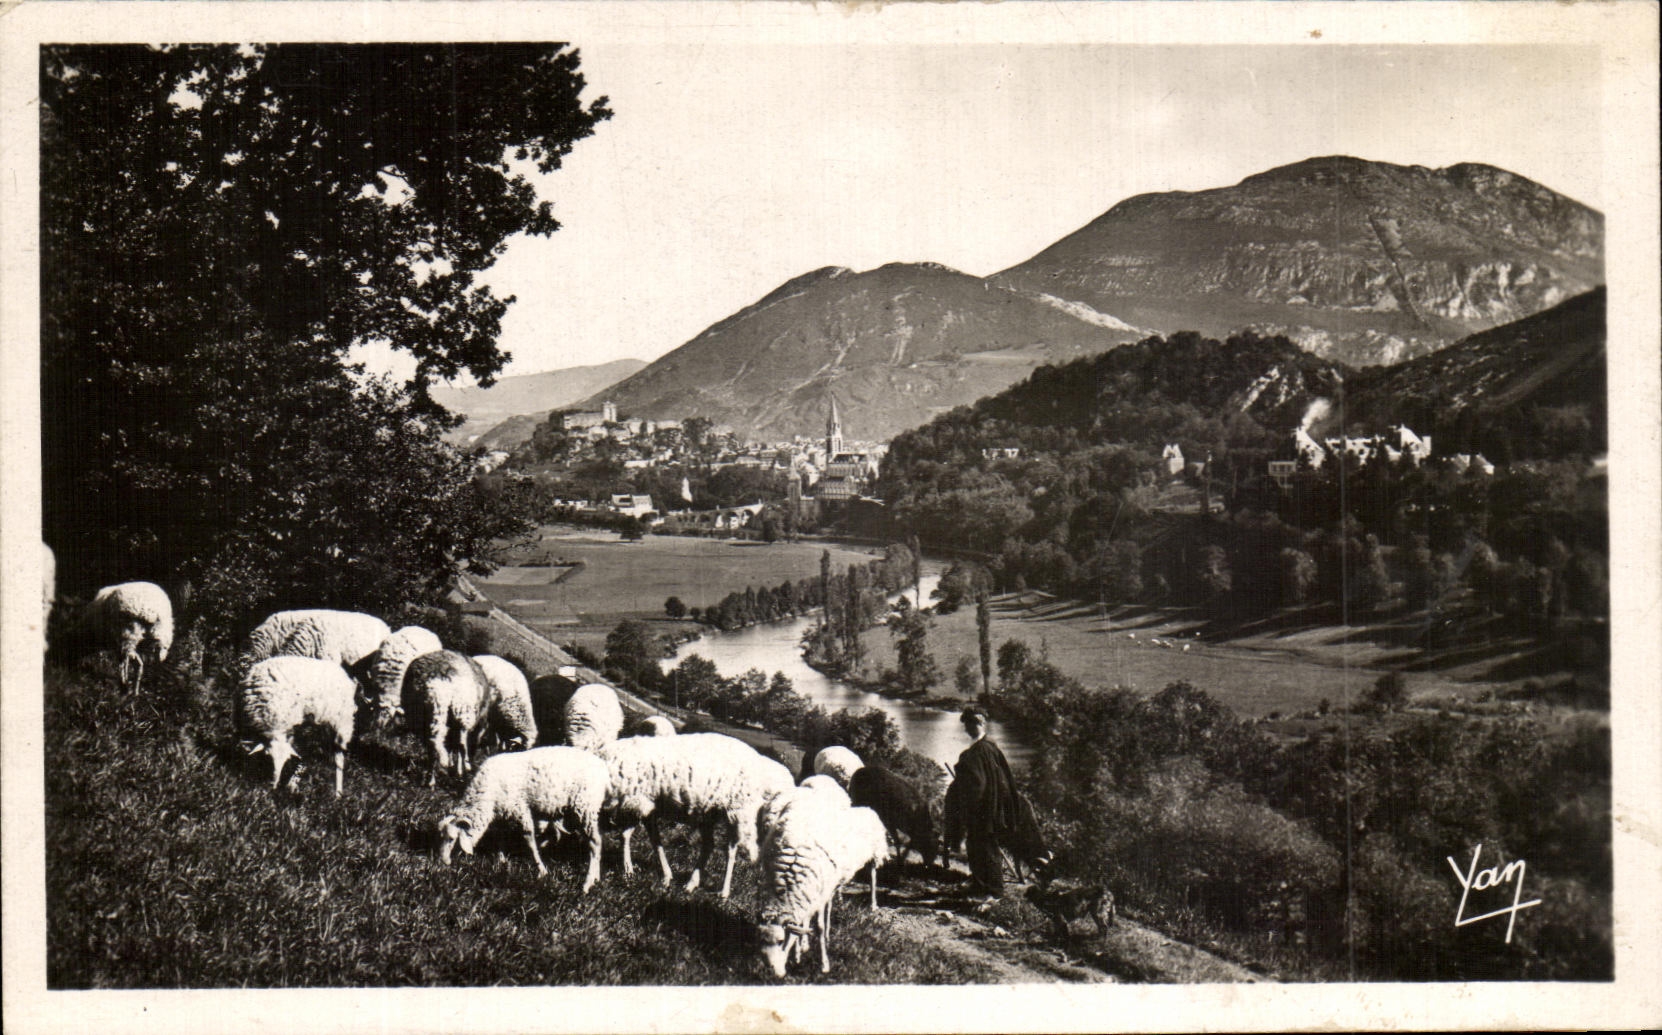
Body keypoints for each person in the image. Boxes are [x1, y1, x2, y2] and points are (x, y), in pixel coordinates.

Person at [943, 704, 1021, 899]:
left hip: (981, 811)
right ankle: (981, 886)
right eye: (967, 725)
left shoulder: (977, 752)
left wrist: (967, 810)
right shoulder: (990, 747)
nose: (967, 729)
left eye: (971, 724)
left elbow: (976, 786)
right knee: (982, 848)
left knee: (983, 849)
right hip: (993, 809)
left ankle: (993, 891)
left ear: (980, 724)